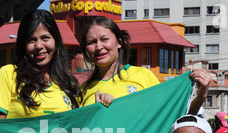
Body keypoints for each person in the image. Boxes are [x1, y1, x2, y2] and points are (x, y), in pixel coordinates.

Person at [80, 16, 210, 114]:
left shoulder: (143, 76)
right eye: (92, 42)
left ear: (119, 42)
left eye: (104, 39)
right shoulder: (82, 90)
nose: (98, 47)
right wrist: (95, 113)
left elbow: (172, 119)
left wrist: (201, 96)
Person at [0, 9, 81, 119]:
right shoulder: (8, 74)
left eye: (45, 38)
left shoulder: (68, 82)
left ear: (56, 41)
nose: (39, 46)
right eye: (31, 40)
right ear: (23, 45)